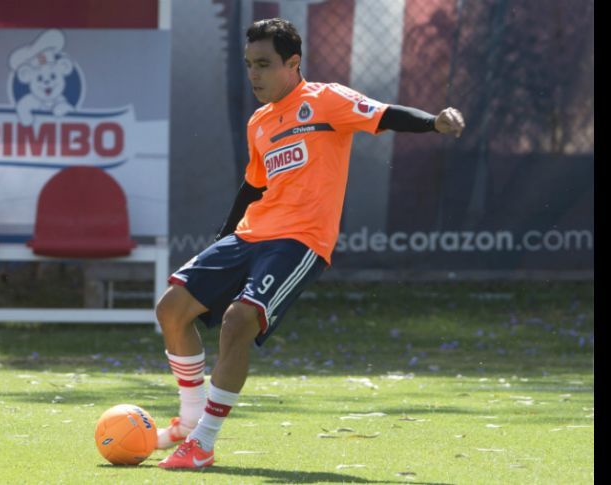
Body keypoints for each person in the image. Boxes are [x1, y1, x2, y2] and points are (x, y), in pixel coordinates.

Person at [155, 18, 465, 469]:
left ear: (293, 63)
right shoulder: (259, 122)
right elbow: (252, 186)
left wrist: (434, 122)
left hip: (299, 241)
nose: (254, 75)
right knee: (171, 308)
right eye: (248, 65)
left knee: (238, 321)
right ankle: (187, 421)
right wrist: (222, 239)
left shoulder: (326, 101)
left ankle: (202, 442)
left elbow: (383, 114)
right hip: (251, 234)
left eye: (264, 64)